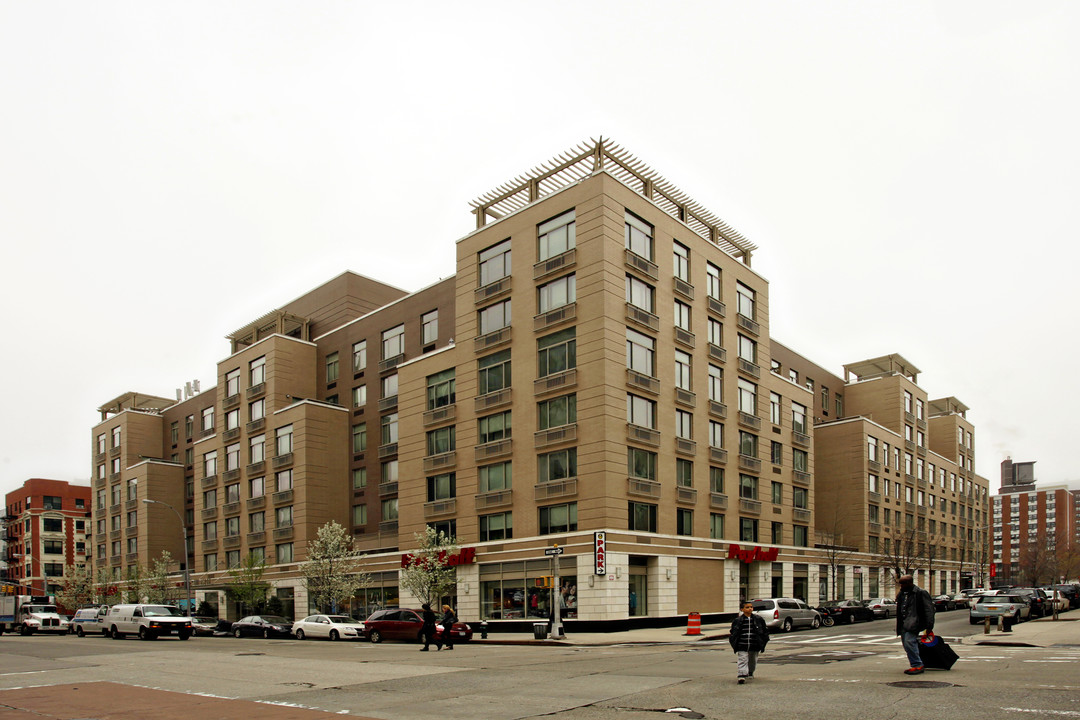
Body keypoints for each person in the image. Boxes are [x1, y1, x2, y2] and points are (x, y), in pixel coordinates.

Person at [895, 574, 935, 675]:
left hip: (914, 622)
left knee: (909, 642)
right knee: (907, 644)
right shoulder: (902, 594)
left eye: (903, 584)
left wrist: (929, 625)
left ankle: (917, 665)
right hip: (904, 623)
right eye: (900, 584)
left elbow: (929, 610)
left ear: (910, 583)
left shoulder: (920, 593)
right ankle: (916, 663)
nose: (901, 586)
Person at [728, 600, 769, 684]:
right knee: (742, 659)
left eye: (751, 607)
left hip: (754, 643)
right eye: (747, 607)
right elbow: (733, 632)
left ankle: (750, 672)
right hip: (742, 644)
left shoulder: (758, 619)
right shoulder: (738, 620)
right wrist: (734, 641)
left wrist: (763, 641)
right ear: (742, 609)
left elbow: (764, 631)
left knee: (752, 660)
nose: (750, 609)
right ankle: (742, 675)